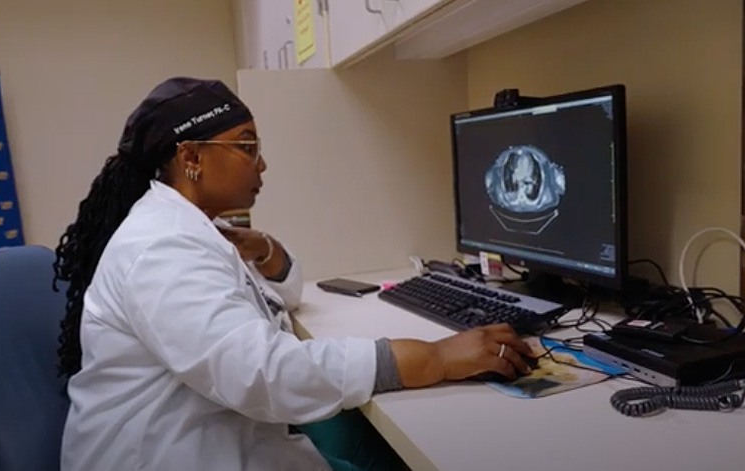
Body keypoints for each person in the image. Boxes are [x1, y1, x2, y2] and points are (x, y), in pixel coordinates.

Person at [53, 77, 534, 471]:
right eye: (246, 147)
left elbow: (280, 299)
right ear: (191, 158)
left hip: (216, 435)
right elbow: (261, 372)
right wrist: (434, 358)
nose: (262, 164)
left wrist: (263, 248)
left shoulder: (192, 228)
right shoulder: (162, 246)